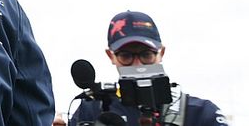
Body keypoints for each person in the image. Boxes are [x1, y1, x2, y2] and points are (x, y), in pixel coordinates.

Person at [58, 11, 228, 126]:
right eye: (126, 56)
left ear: (161, 52)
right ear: (111, 56)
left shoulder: (200, 113)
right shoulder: (92, 108)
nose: (137, 64)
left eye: (146, 55)